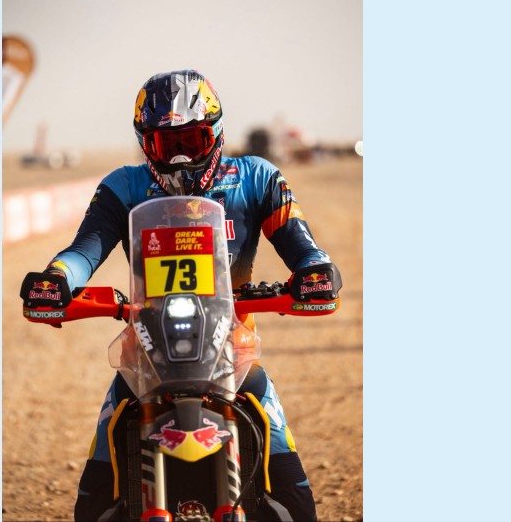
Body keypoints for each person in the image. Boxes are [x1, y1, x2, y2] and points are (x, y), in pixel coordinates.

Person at [19, 70, 343, 522]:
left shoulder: (257, 177)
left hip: (233, 357)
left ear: (216, 134)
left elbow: (303, 245)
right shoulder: (124, 186)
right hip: (145, 360)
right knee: (92, 502)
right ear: (145, 144)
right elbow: (83, 250)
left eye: (191, 140)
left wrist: (314, 270)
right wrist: (57, 277)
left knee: (295, 496)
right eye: (166, 145)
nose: (181, 158)